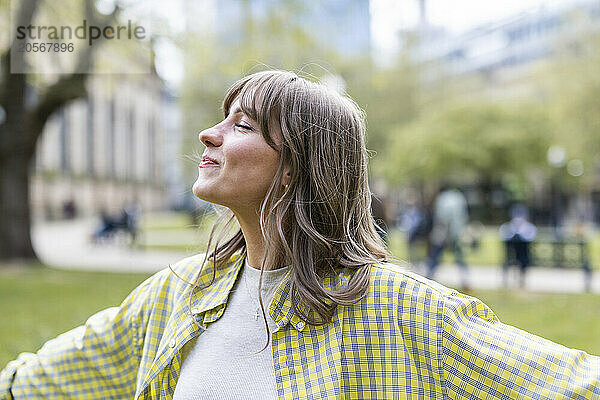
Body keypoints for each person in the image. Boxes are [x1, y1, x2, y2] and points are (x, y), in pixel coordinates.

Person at [1, 70, 599, 399]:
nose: (209, 135)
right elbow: (39, 383)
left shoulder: (403, 312)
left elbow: (569, 384)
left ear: (297, 165)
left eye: (242, 124)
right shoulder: (177, 295)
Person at [426, 185, 470, 289]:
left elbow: (442, 217)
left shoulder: (443, 199)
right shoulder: (459, 198)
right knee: (459, 259)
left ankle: (427, 280)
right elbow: (463, 217)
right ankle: (466, 282)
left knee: (435, 259)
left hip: (443, 234)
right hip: (456, 233)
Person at [499, 204, 537, 288]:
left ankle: (521, 280)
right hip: (511, 252)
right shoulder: (507, 227)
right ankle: (505, 280)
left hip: (523, 253)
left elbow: (530, 237)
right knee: (507, 262)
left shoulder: (528, 227)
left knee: (523, 263)